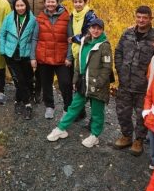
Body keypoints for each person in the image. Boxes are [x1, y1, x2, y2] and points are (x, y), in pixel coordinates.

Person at [47, 18, 112, 147]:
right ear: (89, 29)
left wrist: (99, 83)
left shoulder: (104, 45)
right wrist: (75, 80)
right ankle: (61, 128)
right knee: (74, 106)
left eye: (99, 28)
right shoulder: (84, 42)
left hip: (97, 85)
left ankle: (95, 135)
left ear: (102, 30)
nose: (96, 30)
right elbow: (79, 63)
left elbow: (107, 68)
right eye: (93, 28)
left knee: (97, 112)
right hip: (83, 82)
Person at [114, 5, 154, 156]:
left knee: (142, 115)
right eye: (139, 17)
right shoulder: (127, 33)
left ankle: (139, 140)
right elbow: (118, 51)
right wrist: (120, 69)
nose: (141, 20)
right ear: (135, 17)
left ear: (150, 19)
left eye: (145, 17)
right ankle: (126, 136)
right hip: (125, 83)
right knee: (122, 112)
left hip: (143, 86)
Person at [32, 0, 72, 119]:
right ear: (45, 3)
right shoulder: (40, 18)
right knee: (46, 84)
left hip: (62, 57)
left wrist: (69, 57)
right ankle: (49, 106)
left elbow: (70, 39)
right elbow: (35, 38)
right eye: (48, 2)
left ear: (57, 3)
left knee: (65, 83)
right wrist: (33, 57)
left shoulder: (66, 17)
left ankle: (67, 108)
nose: (50, 4)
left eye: (53, 2)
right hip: (44, 57)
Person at [0, 0, 38, 119]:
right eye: (17, 5)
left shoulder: (33, 20)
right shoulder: (9, 18)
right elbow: (2, 34)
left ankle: (17, 101)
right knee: (19, 79)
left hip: (25, 54)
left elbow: (34, 39)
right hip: (11, 54)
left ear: (26, 5)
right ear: (14, 7)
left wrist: (33, 56)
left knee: (26, 79)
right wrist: (3, 50)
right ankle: (27, 105)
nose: (20, 8)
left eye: (22, 5)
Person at [23, 0, 49, 103]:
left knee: (40, 64)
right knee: (26, 63)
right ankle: (28, 90)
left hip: (42, 35)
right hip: (25, 35)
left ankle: (38, 90)